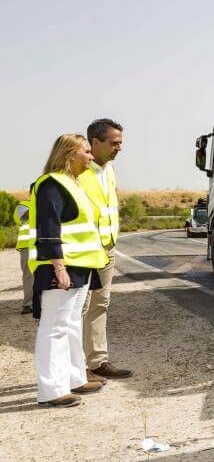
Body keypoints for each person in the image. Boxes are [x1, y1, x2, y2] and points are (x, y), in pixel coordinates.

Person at [30, 134, 109, 407]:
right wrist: (58, 267)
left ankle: (74, 378)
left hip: (82, 265)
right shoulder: (52, 184)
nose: (90, 155)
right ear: (69, 155)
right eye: (85, 151)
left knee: (71, 323)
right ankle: (51, 390)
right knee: (54, 327)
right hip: (61, 266)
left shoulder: (74, 183)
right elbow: (48, 227)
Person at [79, 118, 133, 380]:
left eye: (121, 143)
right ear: (95, 142)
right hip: (85, 251)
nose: (119, 148)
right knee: (80, 308)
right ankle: (75, 367)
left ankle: (97, 361)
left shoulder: (109, 169)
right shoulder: (78, 170)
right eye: (114, 143)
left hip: (107, 249)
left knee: (101, 304)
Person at [15, 195, 35, 314]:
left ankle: (42, 304)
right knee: (29, 275)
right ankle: (28, 304)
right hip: (27, 244)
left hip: (43, 243)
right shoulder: (24, 205)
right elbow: (27, 215)